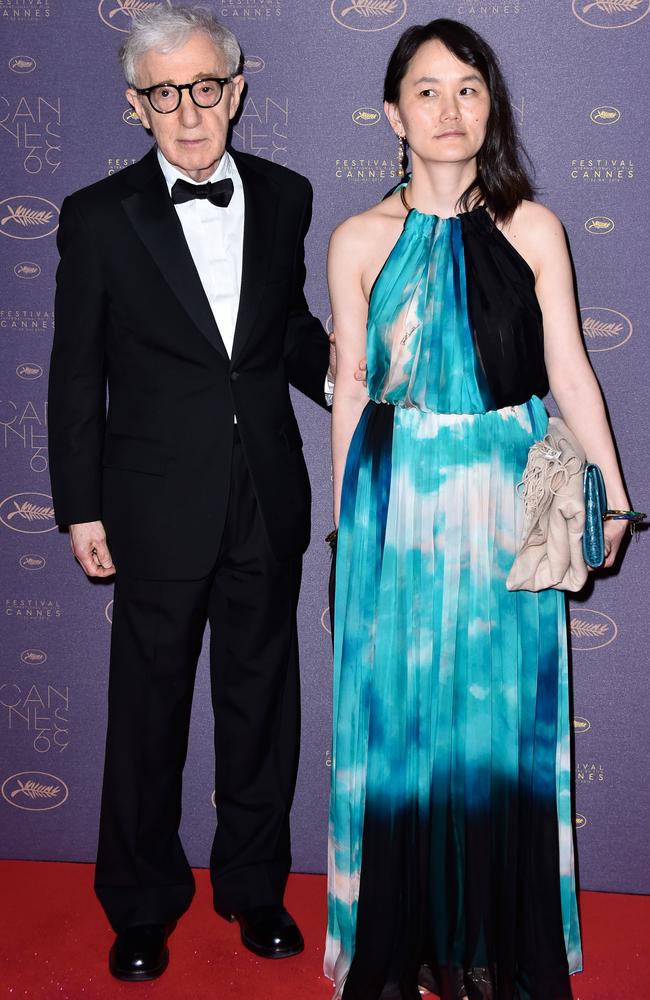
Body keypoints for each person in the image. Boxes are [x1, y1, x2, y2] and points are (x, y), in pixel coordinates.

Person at [325, 18, 634, 1000]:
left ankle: (490, 950)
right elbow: (349, 387)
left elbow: (569, 374)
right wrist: (345, 534)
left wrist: (613, 496)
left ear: (488, 105)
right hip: (398, 507)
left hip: (511, 504)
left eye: (467, 87)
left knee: (498, 733)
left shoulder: (531, 228)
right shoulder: (357, 240)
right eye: (426, 89)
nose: (448, 108)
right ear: (392, 113)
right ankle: (411, 943)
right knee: (406, 732)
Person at [48, 5, 333, 983]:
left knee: (262, 705)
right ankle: (138, 904)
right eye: (163, 95)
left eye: (203, 87)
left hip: (265, 491)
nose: (187, 110)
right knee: (146, 718)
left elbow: (285, 327)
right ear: (137, 108)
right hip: (151, 503)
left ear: (235, 91)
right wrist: (79, 505)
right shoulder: (96, 216)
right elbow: (74, 373)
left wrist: (341, 377)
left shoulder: (288, 197)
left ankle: (255, 890)